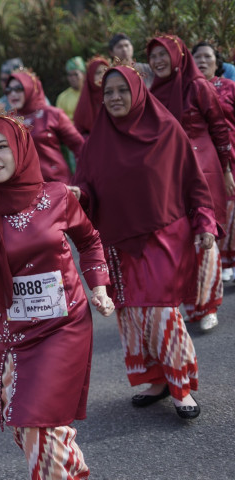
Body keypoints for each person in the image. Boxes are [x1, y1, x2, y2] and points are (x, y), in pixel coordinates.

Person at [0, 113, 113, 479]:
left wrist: (97, 284)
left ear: (21, 149)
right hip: (13, 330)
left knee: (38, 422)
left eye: (2, 147)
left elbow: (89, 239)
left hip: (63, 324)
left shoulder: (57, 196)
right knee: (23, 423)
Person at [74, 65, 217, 420]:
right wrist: (78, 195)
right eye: (108, 92)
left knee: (159, 310)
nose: (115, 98)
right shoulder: (95, 143)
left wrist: (205, 224)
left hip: (163, 235)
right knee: (132, 315)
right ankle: (157, 380)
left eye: (123, 89)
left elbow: (193, 183)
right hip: (118, 242)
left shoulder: (168, 131)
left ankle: (181, 385)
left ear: (138, 90)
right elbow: (88, 188)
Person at [148, 34, 235, 331]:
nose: (158, 61)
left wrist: (225, 170)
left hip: (204, 168)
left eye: (164, 54)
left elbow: (219, 128)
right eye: (153, 56)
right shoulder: (151, 92)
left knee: (205, 235)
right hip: (169, 174)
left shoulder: (197, 86)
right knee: (180, 239)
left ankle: (209, 304)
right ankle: (191, 305)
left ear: (178, 55)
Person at [193, 41, 235, 282]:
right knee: (219, 209)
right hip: (207, 161)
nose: (203, 60)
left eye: (208, 56)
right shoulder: (190, 91)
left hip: (232, 154)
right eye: (197, 56)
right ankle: (223, 263)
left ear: (217, 62)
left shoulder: (229, 87)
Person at [6, 69, 84, 183]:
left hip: (57, 184)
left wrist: (81, 179)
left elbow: (80, 147)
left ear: (30, 88)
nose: (13, 94)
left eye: (18, 89)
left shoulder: (52, 114)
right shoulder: (8, 121)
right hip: (24, 188)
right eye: (8, 90)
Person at [73, 56, 109, 136]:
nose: (102, 75)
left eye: (106, 71)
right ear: (90, 76)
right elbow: (79, 129)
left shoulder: (117, 96)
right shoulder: (85, 100)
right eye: (98, 73)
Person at [55, 56, 86, 121]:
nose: (73, 78)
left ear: (84, 75)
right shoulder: (62, 97)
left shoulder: (91, 94)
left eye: (76, 74)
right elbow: (59, 120)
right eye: (70, 75)